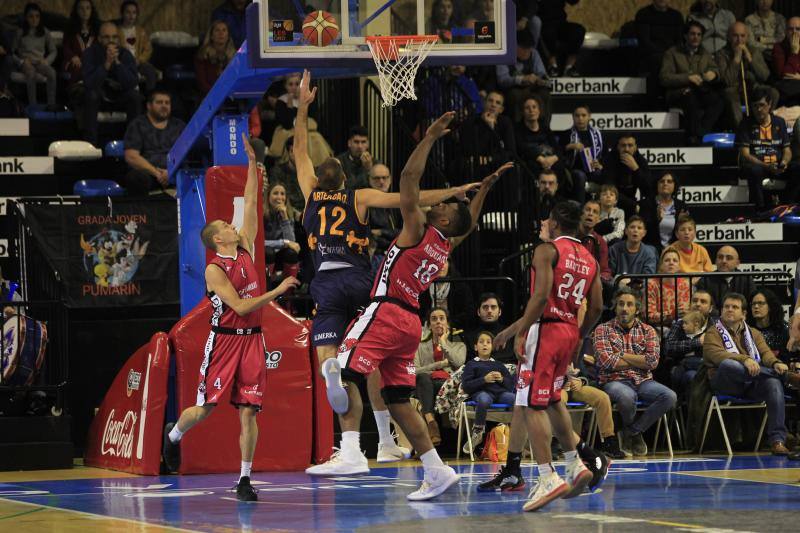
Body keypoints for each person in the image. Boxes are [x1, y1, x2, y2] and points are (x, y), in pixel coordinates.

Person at [294, 71, 508, 474]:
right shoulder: (364, 199)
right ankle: (390, 440)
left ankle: (353, 442)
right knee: (376, 371)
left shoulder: (311, 194)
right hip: (377, 292)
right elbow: (409, 198)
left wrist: (303, 107)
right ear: (345, 176)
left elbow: (301, 154)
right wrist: (465, 192)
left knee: (341, 362)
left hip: (344, 287)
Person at [161, 134, 299, 501]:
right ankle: (174, 435)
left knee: (250, 412)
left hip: (254, 341)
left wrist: (254, 166)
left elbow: (252, 200)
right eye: (225, 224)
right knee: (205, 408)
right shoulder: (213, 269)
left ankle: (244, 480)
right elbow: (239, 307)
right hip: (224, 340)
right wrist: (277, 291)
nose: (232, 225)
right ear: (217, 239)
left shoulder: (247, 245)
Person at [492, 201, 605, 511]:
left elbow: (540, 298)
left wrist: (520, 331)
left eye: (546, 219)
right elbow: (596, 307)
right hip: (569, 330)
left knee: (530, 404)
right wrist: (579, 336)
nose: (543, 223)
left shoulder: (547, 250)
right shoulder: (588, 257)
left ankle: (547, 476)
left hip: (546, 331)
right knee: (553, 398)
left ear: (555, 223)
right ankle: (575, 464)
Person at [704, 293, 800, 455]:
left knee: (773, 383)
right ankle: (785, 377)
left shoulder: (753, 332)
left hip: (752, 382)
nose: (729, 310)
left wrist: (775, 363)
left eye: (734, 307)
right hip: (726, 383)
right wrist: (745, 360)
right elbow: (716, 355)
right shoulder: (713, 332)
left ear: (744, 314)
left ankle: (777, 440)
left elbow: (766, 353)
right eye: (726, 307)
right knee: (729, 364)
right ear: (721, 311)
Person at [594, 287, 677, 456]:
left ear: (637, 309)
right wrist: (639, 361)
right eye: (621, 304)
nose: (624, 308)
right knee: (626, 396)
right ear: (615, 307)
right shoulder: (602, 329)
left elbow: (652, 362)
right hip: (614, 381)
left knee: (670, 397)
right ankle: (634, 434)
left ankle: (632, 431)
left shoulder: (648, 330)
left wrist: (622, 355)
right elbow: (607, 361)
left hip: (643, 381)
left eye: (629, 304)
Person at [660, 20, 724, 144]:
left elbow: (716, 69)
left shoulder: (704, 53)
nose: (696, 37)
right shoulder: (672, 53)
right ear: (685, 36)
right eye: (692, 34)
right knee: (690, 97)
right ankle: (693, 137)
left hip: (699, 90)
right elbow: (664, 78)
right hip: (678, 92)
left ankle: (700, 133)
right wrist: (687, 78)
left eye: (699, 35)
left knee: (719, 101)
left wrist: (714, 74)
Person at [81, 21, 141, 146]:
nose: (111, 40)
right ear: (99, 39)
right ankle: (91, 144)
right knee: (91, 95)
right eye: (107, 37)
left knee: (135, 97)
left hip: (118, 96)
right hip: (98, 97)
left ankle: (133, 145)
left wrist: (118, 63)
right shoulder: (89, 53)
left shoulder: (125, 54)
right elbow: (90, 83)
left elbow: (131, 82)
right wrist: (107, 64)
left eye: (114, 37)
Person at [735, 88, 795, 209]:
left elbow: (787, 150)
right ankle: (760, 210)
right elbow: (745, 155)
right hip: (759, 167)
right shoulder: (745, 124)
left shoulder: (780, 122)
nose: (758, 109)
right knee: (754, 171)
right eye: (755, 106)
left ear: (770, 105)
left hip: (778, 165)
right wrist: (766, 166)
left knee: (797, 169)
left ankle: (789, 205)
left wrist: (784, 162)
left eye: (762, 105)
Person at [415, 307, 467, 446]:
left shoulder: (459, 345)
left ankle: (429, 421)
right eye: (434, 319)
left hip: (448, 384)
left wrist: (443, 342)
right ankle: (431, 422)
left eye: (441, 318)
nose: (438, 322)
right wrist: (438, 364)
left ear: (447, 324)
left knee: (426, 382)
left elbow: (458, 363)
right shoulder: (420, 346)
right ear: (429, 325)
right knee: (423, 378)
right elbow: (415, 370)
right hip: (426, 383)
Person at [461, 331, 515, 454]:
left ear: (493, 346)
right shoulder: (471, 364)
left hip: (500, 394)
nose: (485, 345)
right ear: (475, 346)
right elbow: (467, 386)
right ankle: (478, 432)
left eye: (488, 342)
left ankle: (515, 430)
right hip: (482, 392)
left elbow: (510, 385)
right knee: (484, 400)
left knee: (514, 398)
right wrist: (484, 380)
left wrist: (501, 379)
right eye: (481, 342)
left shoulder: (498, 364)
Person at [123, 89, 185, 195]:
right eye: (159, 102)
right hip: (149, 174)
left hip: (174, 172)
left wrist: (170, 172)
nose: (164, 106)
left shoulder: (179, 126)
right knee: (135, 178)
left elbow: (186, 153)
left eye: (167, 103)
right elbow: (131, 156)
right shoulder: (138, 125)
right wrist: (157, 173)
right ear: (149, 105)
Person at [716, 22, 778, 128]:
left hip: (753, 88)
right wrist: (736, 59)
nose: (739, 40)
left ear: (747, 37)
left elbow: (765, 76)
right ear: (729, 37)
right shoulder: (721, 54)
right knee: (729, 94)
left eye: (742, 36)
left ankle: (764, 124)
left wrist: (750, 60)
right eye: (735, 36)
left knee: (773, 92)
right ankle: (742, 129)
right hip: (734, 90)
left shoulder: (754, 51)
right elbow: (727, 81)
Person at [456, 90, 516, 181]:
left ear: (501, 110)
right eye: (490, 101)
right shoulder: (471, 122)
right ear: (484, 103)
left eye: (498, 103)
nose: (493, 105)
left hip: (497, 165)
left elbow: (510, 152)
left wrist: (491, 128)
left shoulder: (505, 123)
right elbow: (468, 148)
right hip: (476, 166)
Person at [664, 289, 714, 393]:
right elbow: (668, 347)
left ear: (710, 308)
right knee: (689, 375)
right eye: (695, 301)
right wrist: (697, 342)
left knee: (693, 375)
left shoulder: (714, 326)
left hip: (707, 367)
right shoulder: (681, 323)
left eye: (703, 302)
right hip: (683, 367)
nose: (698, 304)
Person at [515, 97, 567, 197]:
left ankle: (557, 200)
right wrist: (540, 159)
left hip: (549, 161)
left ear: (539, 110)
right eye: (527, 108)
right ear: (522, 112)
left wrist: (553, 159)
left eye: (534, 107)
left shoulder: (545, 128)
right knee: (531, 166)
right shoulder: (518, 129)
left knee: (559, 165)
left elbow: (558, 148)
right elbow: (521, 148)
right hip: (532, 162)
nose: (531, 110)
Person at [497, 30, 551, 124]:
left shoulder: (533, 53)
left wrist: (539, 79)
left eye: (529, 48)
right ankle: (518, 129)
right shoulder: (504, 54)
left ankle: (543, 128)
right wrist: (521, 79)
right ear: (514, 46)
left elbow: (542, 73)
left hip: (531, 88)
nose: (527, 52)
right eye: (524, 48)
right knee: (515, 95)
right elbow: (502, 80)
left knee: (544, 94)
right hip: (512, 89)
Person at [12, 3, 57, 109]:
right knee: (31, 73)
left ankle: (51, 104)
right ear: (26, 17)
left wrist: (46, 61)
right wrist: (21, 61)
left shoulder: (45, 32)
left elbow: (53, 50)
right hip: (26, 62)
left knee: (52, 73)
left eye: (37, 16)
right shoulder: (20, 32)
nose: (34, 19)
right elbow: (11, 52)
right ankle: (33, 105)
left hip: (40, 62)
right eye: (31, 16)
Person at [600, 135, 651, 218]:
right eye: (623, 145)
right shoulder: (609, 160)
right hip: (613, 202)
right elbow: (610, 189)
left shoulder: (640, 161)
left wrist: (636, 169)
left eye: (630, 145)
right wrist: (633, 205)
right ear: (618, 147)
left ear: (635, 147)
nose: (626, 149)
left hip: (632, 200)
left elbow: (648, 189)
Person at [559, 105, 602, 204]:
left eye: (583, 115)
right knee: (580, 175)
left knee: (602, 173)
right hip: (573, 169)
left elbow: (605, 155)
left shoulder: (597, 134)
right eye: (577, 116)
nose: (580, 118)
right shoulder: (567, 134)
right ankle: (581, 209)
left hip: (593, 168)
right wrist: (570, 146)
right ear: (573, 117)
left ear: (589, 116)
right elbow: (558, 152)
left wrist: (600, 164)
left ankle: (602, 207)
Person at [419, 258, 474, 331]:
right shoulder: (422, 287)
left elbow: (468, 313)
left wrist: (449, 324)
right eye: (436, 262)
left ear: (449, 265)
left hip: (454, 330)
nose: (441, 266)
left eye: (444, 262)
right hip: (427, 329)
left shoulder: (460, 287)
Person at [62, 0, 99, 103]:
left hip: (91, 62)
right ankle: (74, 99)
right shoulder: (70, 28)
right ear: (76, 10)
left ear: (92, 10)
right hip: (74, 61)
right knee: (78, 68)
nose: (85, 11)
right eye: (81, 8)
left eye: (88, 8)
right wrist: (73, 56)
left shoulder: (96, 28)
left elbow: (99, 48)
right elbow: (65, 47)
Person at [635, 0, 685, 76]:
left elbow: (679, 40)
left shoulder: (676, 16)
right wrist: (665, 55)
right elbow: (645, 41)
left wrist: (672, 54)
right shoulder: (643, 14)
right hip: (652, 55)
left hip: (672, 54)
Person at [640, 172, 688, 251]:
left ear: (674, 185)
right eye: (662, 181)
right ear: (657, 185)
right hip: (651, 249)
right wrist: (657, 219)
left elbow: (687, 230)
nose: (665, 184)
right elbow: (642, 232)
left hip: (675, 249)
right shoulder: (646, 204)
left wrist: (681, 223)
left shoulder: (681, 206)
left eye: (669, 181)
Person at [263, 182, 300, 285]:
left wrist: (285, 218)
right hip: (265, 256)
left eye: (282, 194)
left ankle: (288, 295)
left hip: (280, 256)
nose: (279, 197)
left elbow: (292, 242)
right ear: (268, 196)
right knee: (268, 252)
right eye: (275, 193)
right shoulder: (260, 213)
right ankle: (266, 289)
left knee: (291, 253)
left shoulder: (287, 212)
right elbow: (259, 243)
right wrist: (284, 243)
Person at [117, 1, 157, 93]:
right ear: (122, 13)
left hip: (138, 62)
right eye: (128, 12)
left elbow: (148, 49)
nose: (131, 15)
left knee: (150, 70)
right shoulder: (117, 31)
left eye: (134, 12)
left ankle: (150, 97)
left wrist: (140, 60)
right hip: (123, 64)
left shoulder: (140, 31)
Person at [538, 0, 586, 77]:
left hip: (560, 22)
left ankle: (569, 67)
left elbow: (573, 2)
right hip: (544, 23)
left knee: (579, 31)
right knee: (548, 32)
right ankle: (552, 66)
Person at [463, 293, 515, 364]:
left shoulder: (510, 335)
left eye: (493, 307)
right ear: (478, 312)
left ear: (500, 312)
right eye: (485, 307)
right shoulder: (468, 337)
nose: (489, 311)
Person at [646, 248, 691, 327]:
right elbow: (649, 315)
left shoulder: (685, 284)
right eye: (667, 260)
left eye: (675, 260)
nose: (671, 263)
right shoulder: (651, 284)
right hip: (657, 327)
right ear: (661, 266)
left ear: (679, 266)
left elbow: (683, 312)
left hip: (680, 326)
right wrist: (672, 313)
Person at [748, 288, 789, 364]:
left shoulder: (783, 329)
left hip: (778, 370)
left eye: (760, 303)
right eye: (753, 304)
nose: (756, 306)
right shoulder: (746, 329)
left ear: (770, 306)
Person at [195, 20, 236, 96]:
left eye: (224, 30)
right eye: (217, 30)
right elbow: (202, 83)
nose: (221, 33)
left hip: (230, 96)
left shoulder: (235, 56)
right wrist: (217, 94)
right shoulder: (203, 55)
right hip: (209, 95)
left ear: (228, 36)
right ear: (211, 36)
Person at [578, 200, 613, 288]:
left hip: (591, 283)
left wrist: (602, 278)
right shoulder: (570, 235)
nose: (590, 214)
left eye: (595, 212)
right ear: (581, 214)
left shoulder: (600, 242)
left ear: (598, 219)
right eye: (588, 210)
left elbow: (604, 270)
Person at [268, 136, 304, 215]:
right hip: (286, 214)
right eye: (293, 151)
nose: (296, 155)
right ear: (288, 152)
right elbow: (277, 199)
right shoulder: (278, 171)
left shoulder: (309, 172)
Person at [772, 17, 800, 106]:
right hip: (786, 87)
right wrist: (794, 53)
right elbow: (786, 75)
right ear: (786, 31)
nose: (794, 32)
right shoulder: (778, 48)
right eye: (791, 29)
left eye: (798, 29)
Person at [336, 126, 375, 190]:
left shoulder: (375, 162)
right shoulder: (339, 162)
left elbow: (377, 188)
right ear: (349, 143)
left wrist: (370, 170)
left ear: (368, 144)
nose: (360, 146)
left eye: (363, 142)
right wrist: (366, 170)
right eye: (356, 142)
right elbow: (346, 187)